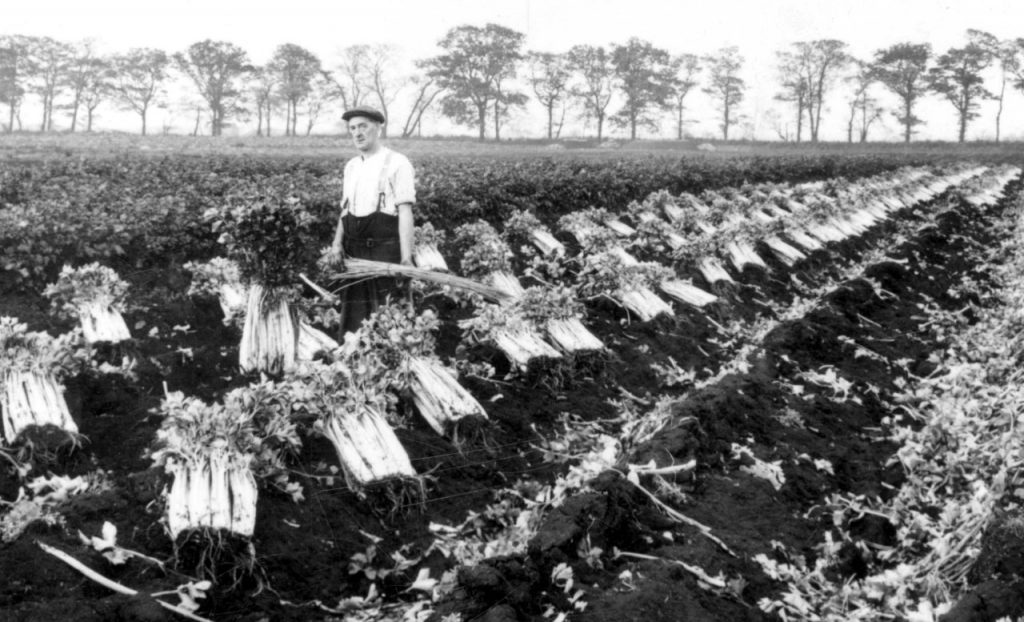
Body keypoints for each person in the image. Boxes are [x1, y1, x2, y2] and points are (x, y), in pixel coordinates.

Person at [328, 105, 416, 335]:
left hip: (384, 252)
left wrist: (406, 259)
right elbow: (344, 210)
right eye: (352, 128)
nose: (357, 133)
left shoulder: (398, 163)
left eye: (363, 126)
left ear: (378, 128)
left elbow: (405, 212)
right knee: (354, 320)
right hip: (354, 253)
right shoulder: (352, 167)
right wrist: (337, 245)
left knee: (389, 318)